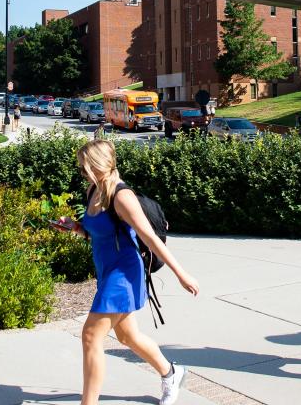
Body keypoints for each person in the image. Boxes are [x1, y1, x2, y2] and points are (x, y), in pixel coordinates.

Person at [55, 140, 199, 405]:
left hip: (123, 275)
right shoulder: (92, 191)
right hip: (107, 272)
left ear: (99, 165)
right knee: (127, 336)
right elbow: (98, 232)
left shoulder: (121, 197)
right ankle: (171, 372)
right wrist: (75, 227)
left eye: (85, 167)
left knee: (90, 336)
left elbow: (151, 239)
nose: (82, 172)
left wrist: (181, 274)